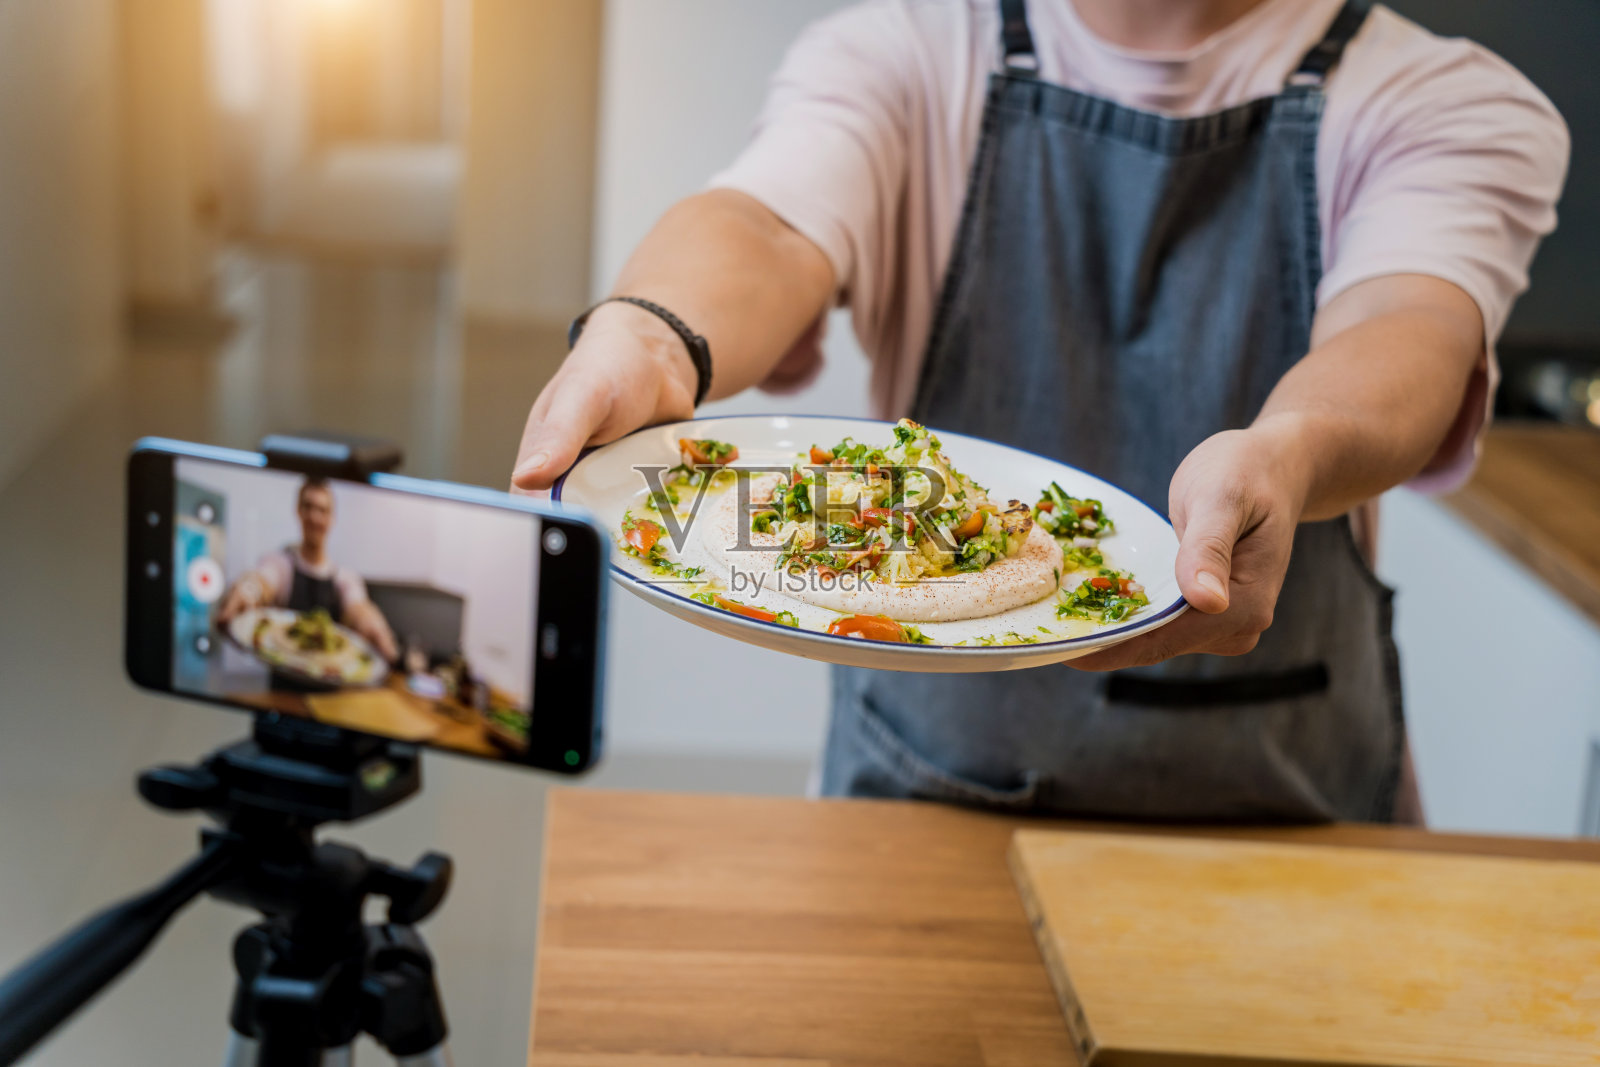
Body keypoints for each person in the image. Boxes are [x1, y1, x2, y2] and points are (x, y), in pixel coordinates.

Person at [512, 0, 1567, 823]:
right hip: (925, 799)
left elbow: (1403, 322)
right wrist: (653, 331)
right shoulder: (909, 51)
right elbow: (770, 225)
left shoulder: (1446, 100)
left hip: (1283, 819)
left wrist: (1286, 451)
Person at [218, 477, 399, 666]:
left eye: (322, 510)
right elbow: (264, 578)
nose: (315, 517)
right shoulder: (281, 563)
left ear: (332, 518)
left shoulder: (345, 578)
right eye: (308, 507)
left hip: (329, 688)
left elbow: (358, 606)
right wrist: (248, 590)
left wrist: (370, 621)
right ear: (299, 511)